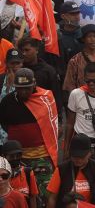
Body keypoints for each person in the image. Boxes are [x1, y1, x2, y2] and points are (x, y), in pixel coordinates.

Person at [0, 68, 58, 203]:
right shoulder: (7, 102)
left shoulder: (45, 98)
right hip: (17, 159)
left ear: (34, 84)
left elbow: (52, 124)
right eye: (20, 89)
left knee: (46, 193)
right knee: (20, 194)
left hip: (42, 156)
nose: (24, 92)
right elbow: (3, 125)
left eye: (27, 88)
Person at [46, 134, 95, 208]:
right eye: (75, 156)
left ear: (89, 153)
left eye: (82, 157)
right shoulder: (62, 169)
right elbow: (52, 198)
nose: (78, 160)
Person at [2, 141, 38, 208]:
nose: (15, 158)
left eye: (18, 155)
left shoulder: (28, 173)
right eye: (12, 156)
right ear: (4, 156)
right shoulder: (1, 176)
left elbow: (33, 198)